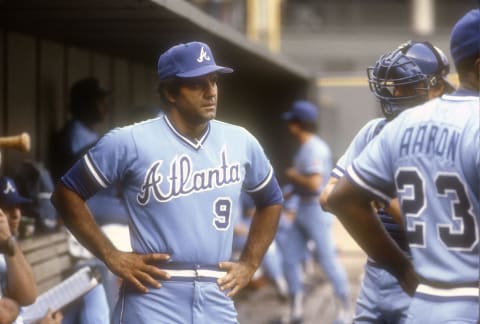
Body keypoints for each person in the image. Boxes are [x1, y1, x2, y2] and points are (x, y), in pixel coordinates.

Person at [51, 41, 283, 323]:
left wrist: (249, 263)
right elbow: (66, 193)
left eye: (214, 81)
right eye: (198, 84)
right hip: (155, 293)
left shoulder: (241, 140)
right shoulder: (129, 140)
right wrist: (111, 255)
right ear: (170, 92)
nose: (211, 91)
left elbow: (271, 200)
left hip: (216, 293)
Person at [327, 8, 479, 323]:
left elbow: (342, 198)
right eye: (393, 84)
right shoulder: (379, 129)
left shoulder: (411, 127)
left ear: (437, 85)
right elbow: (330, 195)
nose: (395, 93)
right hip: (398, 266)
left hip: (426, 277)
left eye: (406, 85)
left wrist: (386, 201)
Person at [51, 77, 130, 312]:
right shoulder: (73, 132)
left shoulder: (90, 132)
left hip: (100, 201)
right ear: (84, 103)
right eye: (100, 101)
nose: (106, 106)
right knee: (136, 213)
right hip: (78, 202)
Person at [281, 100, 350, 324]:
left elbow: (313, 184)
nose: (289, 125)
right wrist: (291, 190)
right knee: (290, 259)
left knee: (327, 260)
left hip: (317, 210)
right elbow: (305, 185)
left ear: (298, 124)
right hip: (302, 207)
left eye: (292, 121)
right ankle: (296, 310)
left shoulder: (315, 147)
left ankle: (345, 310)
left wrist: (292, 176)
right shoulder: (304, 147)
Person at [0, 176, 62, 324]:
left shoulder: (7, 247)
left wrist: (9, 242)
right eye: (8, 208)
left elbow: (29, 296)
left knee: (92, 288)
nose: (16, 215)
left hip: (28, 317)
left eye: (18, 206)